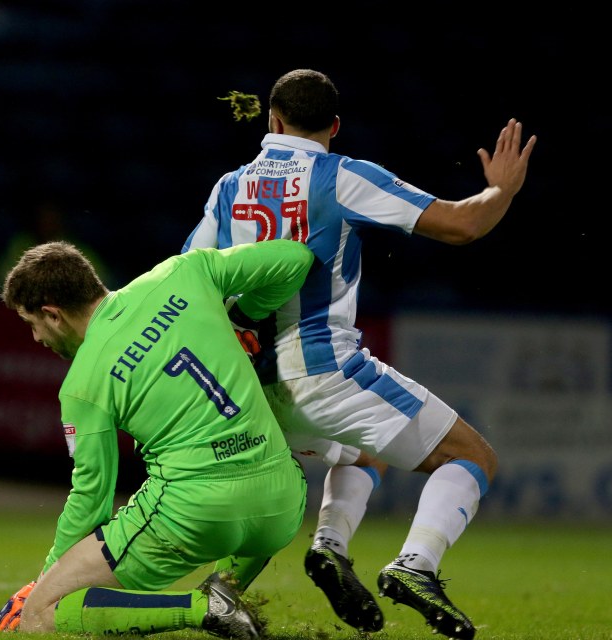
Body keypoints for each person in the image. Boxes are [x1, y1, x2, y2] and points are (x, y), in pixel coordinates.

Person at [183, 68, 536, 640]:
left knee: (355, 453)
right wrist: (502, 190)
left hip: (248, 381)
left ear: (272, 121)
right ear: (336, 126)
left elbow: (188, 279)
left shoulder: (228, 186)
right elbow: (463, 225)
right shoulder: (341, 175)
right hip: (324, 371)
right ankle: (415, 565)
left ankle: (301, 561)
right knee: (471, 458)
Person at [0, 238, 315, 638]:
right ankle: (226, 591)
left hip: (196, 515)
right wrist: (246, 318)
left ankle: (202, 609)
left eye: (32, 324)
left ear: (52, 315)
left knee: (41, 613)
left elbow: (92, 497)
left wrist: (46, 580)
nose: (37, 339)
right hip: (283, 505)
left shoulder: (82, 386)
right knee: (274, 474)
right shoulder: (183, 272)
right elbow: (295, 260)